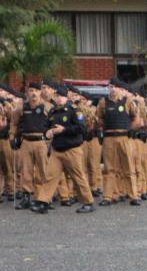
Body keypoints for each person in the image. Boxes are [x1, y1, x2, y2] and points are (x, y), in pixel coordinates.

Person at [30, 84, 95, 214]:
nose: (59, 99)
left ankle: (88, 202)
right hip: (57, 150)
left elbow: (81, 129)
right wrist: (47, 132)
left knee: (78, 176)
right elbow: (45, 126)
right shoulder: (53, 111)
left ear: (66, 98)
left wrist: (64, 129)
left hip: (72, 149)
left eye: (62, 97)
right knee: (50, 176)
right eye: (57, 96)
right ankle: (43, 202)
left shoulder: (74, 110)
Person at [97, 78, 142, 206]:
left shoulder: (128, 101)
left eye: (114, 87)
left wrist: (129, 129)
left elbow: (136, 120)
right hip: (109, 138)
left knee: (128, 167)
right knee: (109, 169)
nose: (112, 89)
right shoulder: (103, 102)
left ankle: (134, 196)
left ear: (119, 89)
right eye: (110, 87)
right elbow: (99, 119)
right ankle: (107, 196)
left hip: (124, 137)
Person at [9, 82, 51, 210]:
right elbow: (14, 122)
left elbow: (53, 122)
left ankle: (44, 198)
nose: (33, 93)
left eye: (36, 91)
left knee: (43, 171)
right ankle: (26, 197)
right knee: (25, 171)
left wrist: (51, 140)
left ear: (40, 92)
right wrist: (12, 136)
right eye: (31, 90)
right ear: (27, 92)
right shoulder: (22, 107)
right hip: (26, 141)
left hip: (41, 141)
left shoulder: (47, 106)